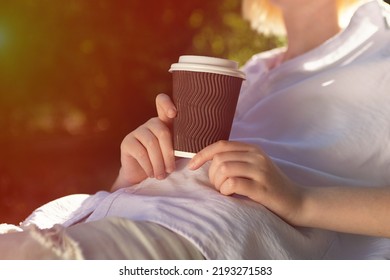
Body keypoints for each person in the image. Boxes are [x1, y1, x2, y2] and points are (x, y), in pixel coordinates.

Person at [1, 0, 390, 259]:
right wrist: (134, 173)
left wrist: (302, 201)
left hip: (204, 240)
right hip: (99, 216)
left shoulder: (381, 44)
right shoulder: (250, 72)